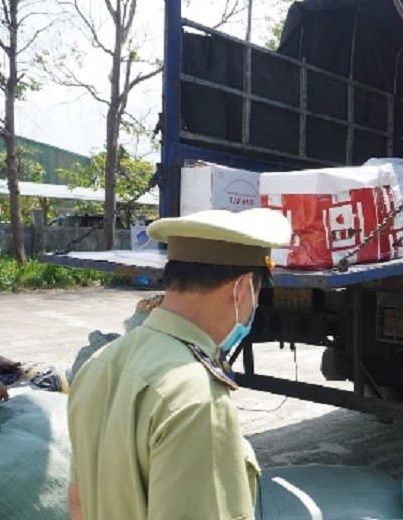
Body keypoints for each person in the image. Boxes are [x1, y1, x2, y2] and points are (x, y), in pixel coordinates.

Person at [67, 208, 291, 520]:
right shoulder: (197, 397)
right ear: (241, 289)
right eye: (257, 293)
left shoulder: (98, 363)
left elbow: (77, 501)